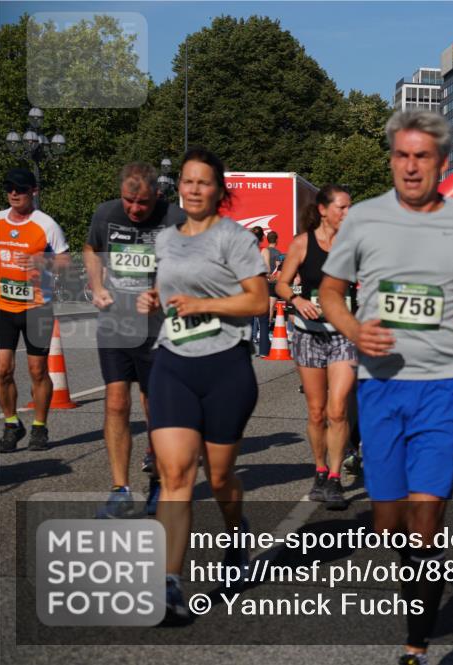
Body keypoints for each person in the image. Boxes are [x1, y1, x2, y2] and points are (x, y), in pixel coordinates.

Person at [320, 109, 453, 665]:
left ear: (441, 164)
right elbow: (331, 291)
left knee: (426, 515)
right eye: (401, 155)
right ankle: (418, 604)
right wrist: (355, 329)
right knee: (389, 524)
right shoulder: (364, 220)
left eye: (421, 156)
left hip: (445, 385)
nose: (410, 166)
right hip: (380, 387)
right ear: (392, 160)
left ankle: (416, 645)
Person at [136, 147, 268, 624]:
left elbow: (258, 303)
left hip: (225, 367)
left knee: (218, 478)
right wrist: (156, 300)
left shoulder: (233, 238)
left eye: (203, 182)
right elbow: (168, 293)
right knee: (175, 478)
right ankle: (168, 584)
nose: (194, 189)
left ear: (219, 190)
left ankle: (237, 533)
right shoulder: (166, 240)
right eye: (187, 182)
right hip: (173, 363)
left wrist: (205, 306)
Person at [84, 162, 184, 517]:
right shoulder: (106, 213)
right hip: (115, 321)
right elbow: (92, 250)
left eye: (142, 203)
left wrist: (158, 292)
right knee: (115, 402)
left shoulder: (174, 218)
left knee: (153, 404)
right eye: (129, 201)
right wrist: (96, 286)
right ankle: (119, 489)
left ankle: (158, 480)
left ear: (156, 194)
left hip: (157, 328)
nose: (134, 209)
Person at [275, 184, 355, 509]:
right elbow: (280, 282)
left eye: (351, 208)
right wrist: (296, 299)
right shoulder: (302, 243)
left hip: (343, 334)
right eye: (343, 208)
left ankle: (335, 479)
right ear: (323, 210)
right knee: (316, 410)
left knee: (338, 409)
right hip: (308, 333)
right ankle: (320, 470)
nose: (349, 214)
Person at [0, 168, 69, 452]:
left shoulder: (46, 225)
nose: (14, 193)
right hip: (1, 306)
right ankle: (12, 424)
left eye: (21, 189)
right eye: (9, 187)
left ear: (33, 192)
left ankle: (40, 426)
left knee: (38, 370)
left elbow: (65, 262)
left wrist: (44, 262)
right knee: (1, 370)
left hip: (37, 307)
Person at [249, 227, 271, 357]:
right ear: (262, 238)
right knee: (262, 320)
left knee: (249, 319)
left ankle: (248, 349)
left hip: (247, 286)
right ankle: (263, 350)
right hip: (260, 285)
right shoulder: (264, 251)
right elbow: (267, 268)